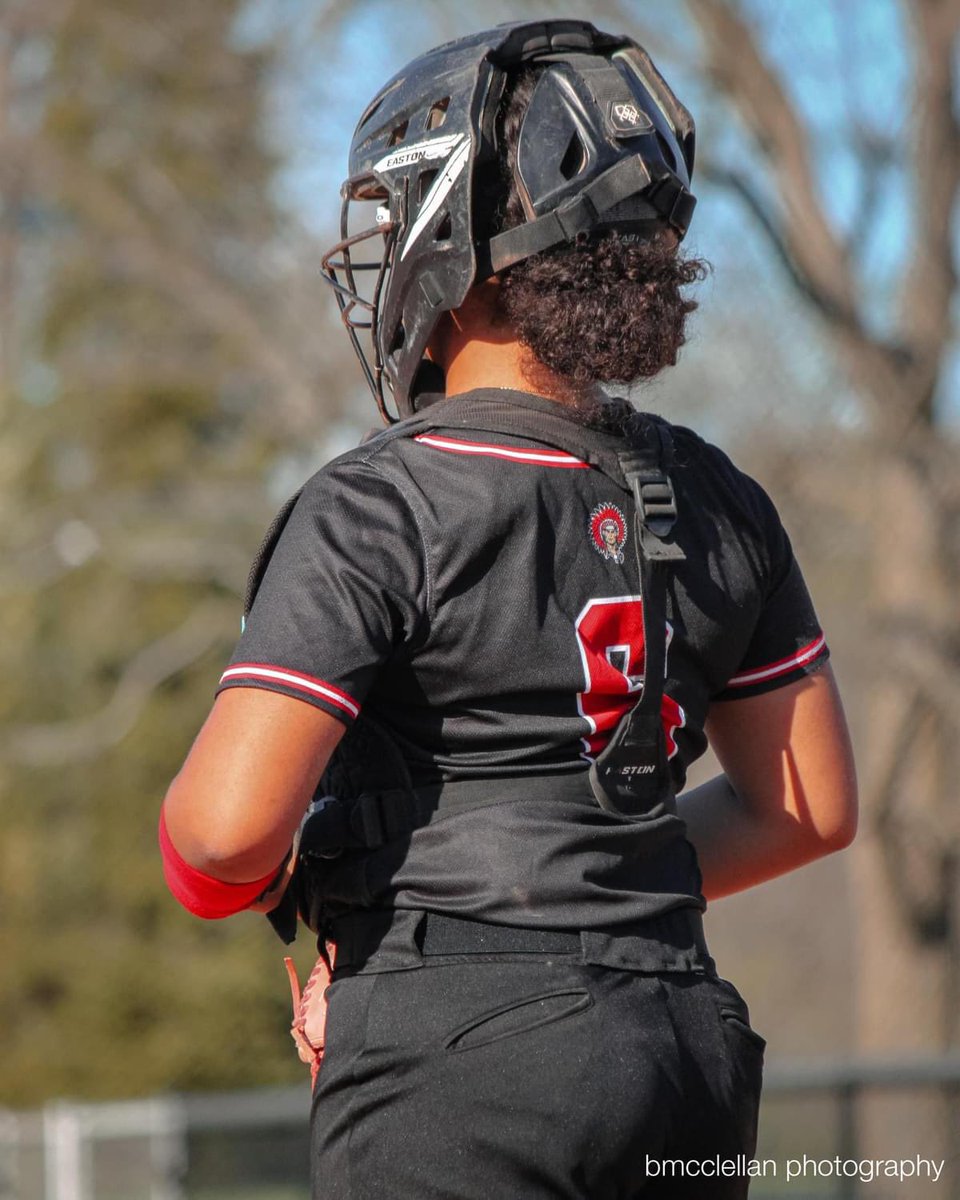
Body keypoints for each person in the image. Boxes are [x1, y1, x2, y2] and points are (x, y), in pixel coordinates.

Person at [160, 19, 857, 1199]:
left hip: (457, 1056)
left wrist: (326, 891)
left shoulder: (379, 503)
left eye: (396, 219)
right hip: (680, 1040)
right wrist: (585, 867)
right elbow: (809, 809)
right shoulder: (719, 494)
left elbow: (223, 837)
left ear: (459, 243)